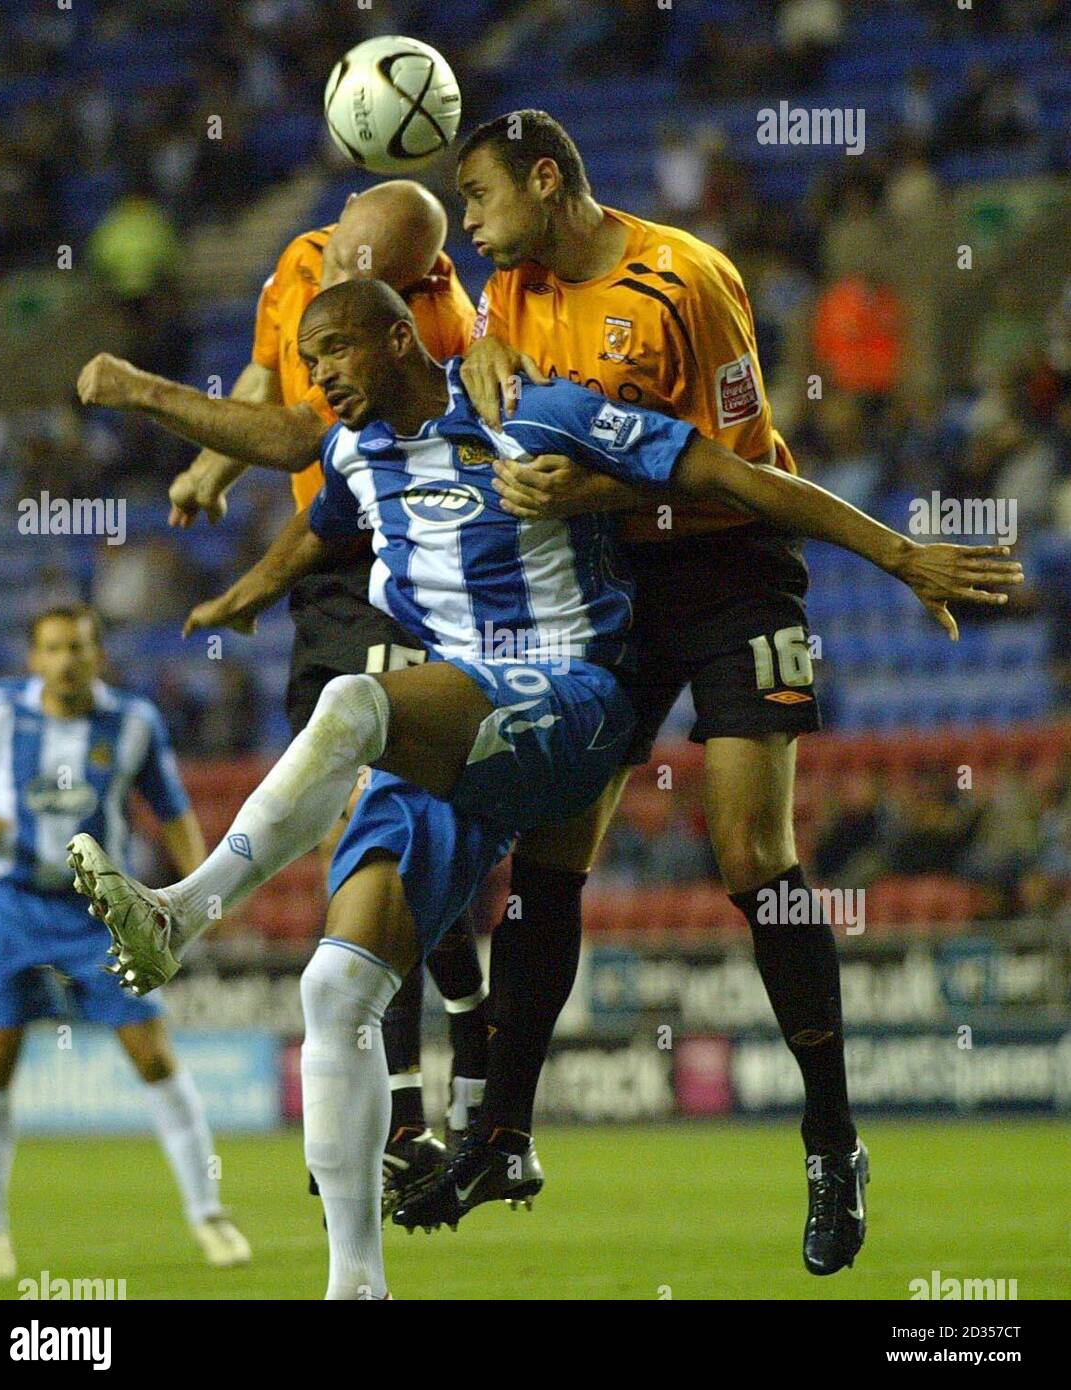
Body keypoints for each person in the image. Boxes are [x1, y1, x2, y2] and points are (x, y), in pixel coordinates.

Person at [69, 280, 1020, 1298]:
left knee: (353, 702)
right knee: (332, 988)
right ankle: (357, 1287)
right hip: (446, 724)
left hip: (572, 697)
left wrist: (898, 553)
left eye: (339, 348)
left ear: (401, 337)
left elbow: (730, 475)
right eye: (312, 359)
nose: (324, 374)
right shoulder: (348, 454)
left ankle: (182, 911)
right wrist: (249, 590)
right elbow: (317, 520)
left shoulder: (533, 408)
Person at [399, 110, 975, 1273]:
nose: (469, 223)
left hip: (727, 572)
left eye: (478, 196)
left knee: (749, 855)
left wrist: (902, 554)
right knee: (550, 857)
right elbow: (464, 344)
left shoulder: (685, 280)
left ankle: (829, 1141)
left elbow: (735, 475)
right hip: (610, 591)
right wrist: (478, 356)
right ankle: (506, 1132)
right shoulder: (510, 287)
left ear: (546, 179)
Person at [167, 179, 492, 1204]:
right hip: (326, 579)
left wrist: (142, 392)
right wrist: (218, 474)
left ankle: (440, 1090)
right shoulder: (299, 285)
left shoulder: (442, 314)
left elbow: (325, 430)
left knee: (384, 820)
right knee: (349, 839)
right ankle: (408, 1103)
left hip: (399, 574)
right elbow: (275, 395)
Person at [0, 606, 250, 1281]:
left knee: (152, 1054)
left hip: (99, 914)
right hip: (10, 903)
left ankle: (209, 1215)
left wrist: (207, 892)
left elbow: (173, 813)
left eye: (81, 648)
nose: (68, 660)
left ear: (99, 656)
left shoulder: (134, 723)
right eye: (55, 648)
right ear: (33, 658)